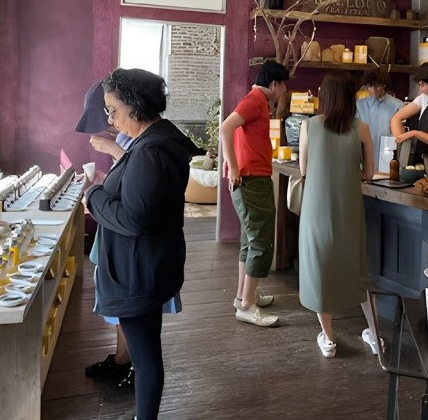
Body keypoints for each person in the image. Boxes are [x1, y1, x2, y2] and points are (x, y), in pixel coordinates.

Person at [85, 68, 202, 420]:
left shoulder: (151, 150)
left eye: (112, 109)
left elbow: (134, 219)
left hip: (139, 272)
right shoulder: (151, 142)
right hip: (146, 266)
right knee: (147, 351)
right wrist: (109, 184)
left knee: (147, 356)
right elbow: (140, 194)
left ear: (134, 106)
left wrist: (92, 195)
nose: (110, 117)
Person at [298, 72, 381, 358]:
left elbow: (304, 170)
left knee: (320, 267)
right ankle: (375, 336)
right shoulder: (362, 129)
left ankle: (329, 339)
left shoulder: (310, 126)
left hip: (316, 209)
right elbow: (368, 174)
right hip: (348, 208)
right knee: (359, 271)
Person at [75, 80, 135, 387]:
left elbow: (137, 175)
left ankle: (128, 362)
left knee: (123, 303)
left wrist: (113, 150)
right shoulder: (124, 138)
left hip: (126, 235)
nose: (108, 125)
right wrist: (102, 180)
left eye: (112, 114)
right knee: (115, 301)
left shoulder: (136, 142)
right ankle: (121, 358)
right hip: (112, 231)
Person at [220, 60, 289, 327]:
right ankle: (247, 306)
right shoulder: (255, 99)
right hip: (252, 180)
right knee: (261, 242)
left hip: (252, 178)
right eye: (284, 86)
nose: (284, 92)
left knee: (250, 241)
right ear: (274, 84)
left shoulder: (257, 100)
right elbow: (225, 127)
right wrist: (234, 168)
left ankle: (243, 297)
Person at [356, 68, 403, 172]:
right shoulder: (359, 105)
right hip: (363, 157)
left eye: (377, 86)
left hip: (387, 158)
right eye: (370, 86)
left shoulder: (397, 105)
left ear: (384, 85)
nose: (373, 90)